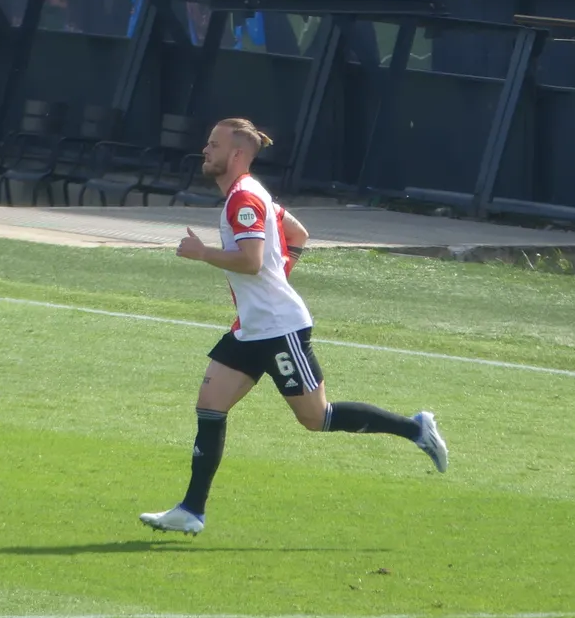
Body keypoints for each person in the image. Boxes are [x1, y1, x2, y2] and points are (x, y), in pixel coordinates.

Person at [139, 118, 448, 536]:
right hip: (252, 328)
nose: (204, 151)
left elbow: (250, 260)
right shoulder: (247, 193)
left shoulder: (243, 199)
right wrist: (279, 275)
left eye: (213, 145)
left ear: (236, 154)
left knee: (316, 418)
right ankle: (191, 510)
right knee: (210, 405)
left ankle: (416, 428)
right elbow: (296, 232)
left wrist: (202, 253)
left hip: (279, 330)